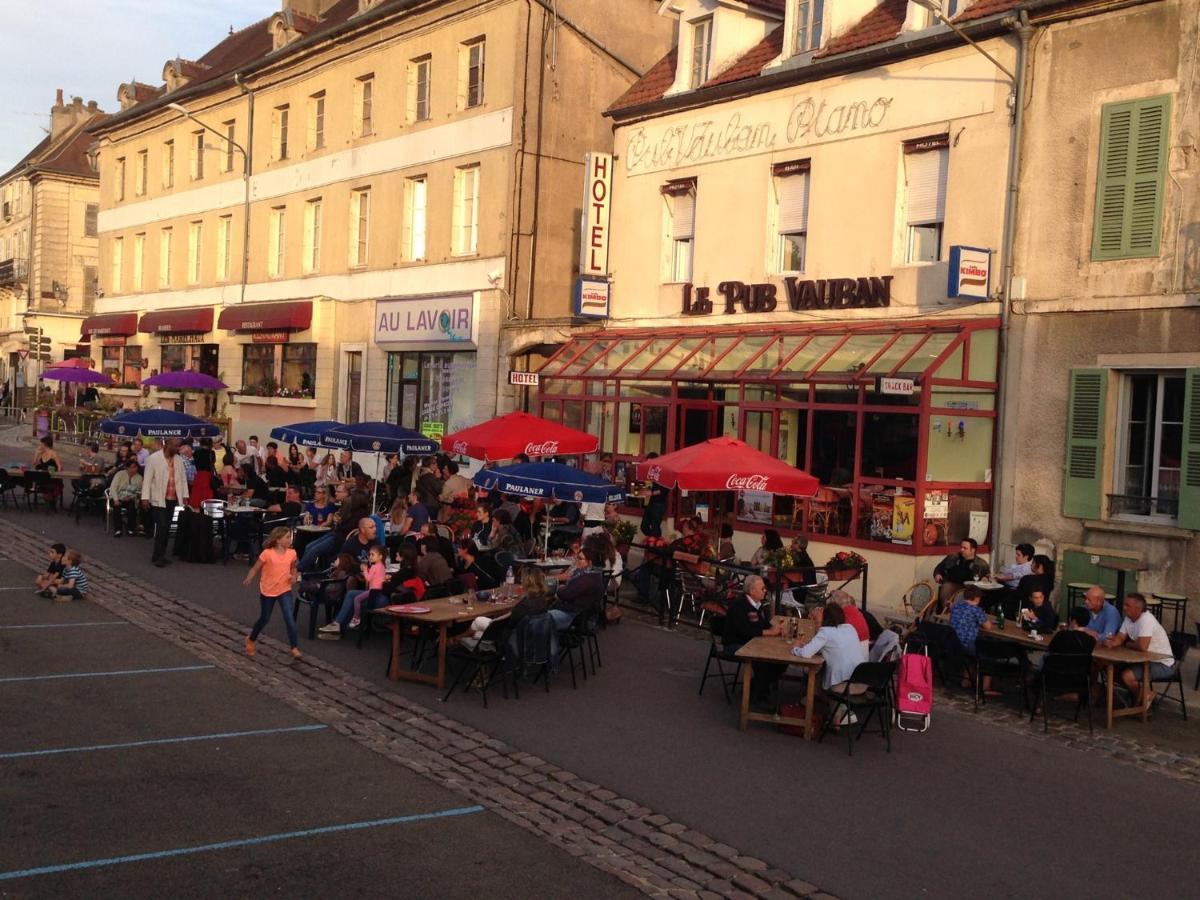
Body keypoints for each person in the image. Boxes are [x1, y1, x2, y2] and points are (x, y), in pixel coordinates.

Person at [1104, 592, 1176, 707]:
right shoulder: (1128, 618)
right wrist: (1112, 643)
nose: (1124, 608)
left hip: (1162, 663)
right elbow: (1121, 637)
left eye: (1127, 605)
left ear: (1138, 609)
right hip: (1143, 660)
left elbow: (1142, 646)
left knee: (1127, 676)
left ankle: (1142, 699)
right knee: (1111, 671)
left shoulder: (1146, 620)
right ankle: (1143, 696)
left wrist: (1127, 643)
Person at [723, 574, 784, 704]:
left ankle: (754, 687)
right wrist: (769, 632)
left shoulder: (757, 604)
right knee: (762, 660)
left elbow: (763, 623)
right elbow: (745, 631)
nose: (765, 590)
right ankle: (760, 696)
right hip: (736, 644)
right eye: (762, 589)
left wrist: (776, 628)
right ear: (752, 591)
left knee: (781, 661)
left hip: (752, 642)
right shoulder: (739, 605)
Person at [243, 526, 301, 659]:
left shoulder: (292, 553)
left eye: (290, 537)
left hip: (284, 589)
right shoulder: (267, 554)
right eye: (287, 537)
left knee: (289, 619)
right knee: (265, 618)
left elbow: (293, 568)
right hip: (268, 590)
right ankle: (251, 638)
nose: (289, 540)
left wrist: (294, 576)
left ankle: (294, 647)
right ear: (278, 539)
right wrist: (250, 577)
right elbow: (255, 568)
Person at [462, 568, 550, 650]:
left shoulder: (525, 605)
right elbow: (511, 615)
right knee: (478, 633)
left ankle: (457, 639)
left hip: (510, 637)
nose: (521, 581)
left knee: (478, 620)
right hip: (529, 637)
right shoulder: (541, 600)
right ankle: (474, 646)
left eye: (523, 579)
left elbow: (509, 620)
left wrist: (494, 622)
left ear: (528, 582)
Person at [791, 602, 868, 691]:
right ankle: (816, 696)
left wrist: (795, 648)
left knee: (817, 670)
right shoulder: (849, 628)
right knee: (821, 669)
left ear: (825, 617)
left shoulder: (825, 632)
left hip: (843, 682)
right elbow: (833, 646)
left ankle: (811, 698)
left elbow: (805, 653)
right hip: (862, 680)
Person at [319, 544, 389, 637]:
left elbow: (368, 578)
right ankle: (338, 625)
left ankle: (350, 621)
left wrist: (365, 570)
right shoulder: (381, 566)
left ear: (380, 556)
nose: (370, 557)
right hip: (376, 592)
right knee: (351, 594)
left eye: (372, 555)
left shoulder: (375, 567)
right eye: (370, 555)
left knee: (355, 599)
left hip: (375, 594)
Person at [141, 437, 189, 567]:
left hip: (173, 498)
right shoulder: (154, 458)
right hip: (159, 499)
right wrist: (145, 497)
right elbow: (147, 479)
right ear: (167, 444)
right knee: (162, 526)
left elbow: (183, 479)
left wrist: (185, 495)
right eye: (176, 446)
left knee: (166, 528)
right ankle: (159, 557)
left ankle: (158, 554)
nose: (178, 448)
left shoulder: (178, 460)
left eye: (179, 446)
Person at [949, 585, 995, 691]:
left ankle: (966, 680)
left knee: (970, 651)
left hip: (953, 643)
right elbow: (988, 627)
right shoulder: (976, 610)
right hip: (966, 645)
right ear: (977, 598)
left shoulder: (955, 606)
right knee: (989, 654)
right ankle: (986, 688)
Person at [549, 545, 605, 630]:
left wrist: (560, 589)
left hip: (575, 617)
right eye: (577, 558)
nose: (577, 561)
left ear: (589, 563)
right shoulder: (591, 574)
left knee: (538, 619)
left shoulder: (587, 579)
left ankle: (550, 642)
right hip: (577, 613)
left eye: (580, 559)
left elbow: (565, 594)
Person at [933, 538, 991, 605]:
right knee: (947, 587)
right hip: (953, 584)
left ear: (972, 550)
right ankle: (947, 611)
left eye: (965, 548)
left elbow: (988, 574)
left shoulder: (981, 563)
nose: (961, 550)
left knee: (978, 594)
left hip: (970, 588)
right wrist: (937, 574)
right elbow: (938, 568)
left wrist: (986, 578)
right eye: (961, 547)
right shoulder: (953, 557)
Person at [110, 459, 145, 536]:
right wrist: (116, 499)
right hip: (118, 497)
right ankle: (118, 529)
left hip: (131, 498)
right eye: (132, 467)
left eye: (135, 467)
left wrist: (133, 496)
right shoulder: (120, 474)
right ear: (127, 468)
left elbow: (140, 491)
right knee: (117, 508)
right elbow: (113, 488)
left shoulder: (139, 477)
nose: (134, 469)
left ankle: (130, 529)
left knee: (132, 507)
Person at [639, 452, 667, 538]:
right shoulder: (654, 471)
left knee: (655, 528)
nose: (649, 464)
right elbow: (654, 487)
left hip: (659, 504)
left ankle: (655, 544)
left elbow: (664, 490)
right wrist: (647, 490)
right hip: (652, 502)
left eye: (650, 462)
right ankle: (654, 541)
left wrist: (650, 492)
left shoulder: (663, 471)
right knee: (644, 526)